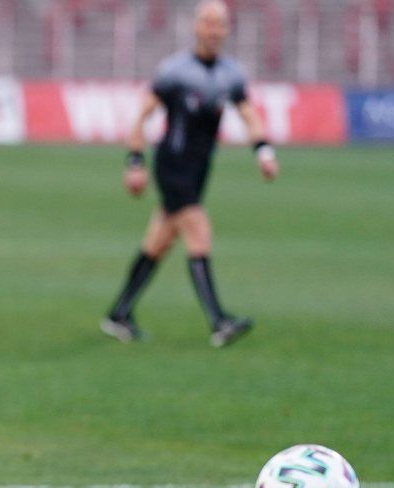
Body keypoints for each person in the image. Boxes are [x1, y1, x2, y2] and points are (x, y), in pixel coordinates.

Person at [101, 0, 278, 347]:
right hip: (172, 165)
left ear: (227, 30)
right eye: (208, 22)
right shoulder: (175, 71)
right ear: (196, 27)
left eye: (220, 23)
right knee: (198, 231)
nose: (214, 30)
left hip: (199, 169)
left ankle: (118, 314)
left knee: (158, 242)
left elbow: (247, 113)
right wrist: (135, 163)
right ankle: (218, 321)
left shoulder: (230, 73)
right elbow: (143, 114)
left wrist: (264, 152)